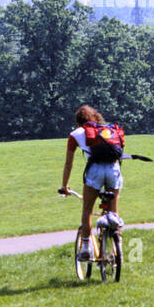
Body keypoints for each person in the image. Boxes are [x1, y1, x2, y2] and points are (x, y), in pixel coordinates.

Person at [58, 105, 123, 260]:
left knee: (87, 209)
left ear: (78, 121)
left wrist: (64, 186)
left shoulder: (75, 135)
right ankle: (118, 246)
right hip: (114, 169)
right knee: (113, 210)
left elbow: (68, 164)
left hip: (95, 171)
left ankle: (86, 247)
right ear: (95, 116)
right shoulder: (107, 130)